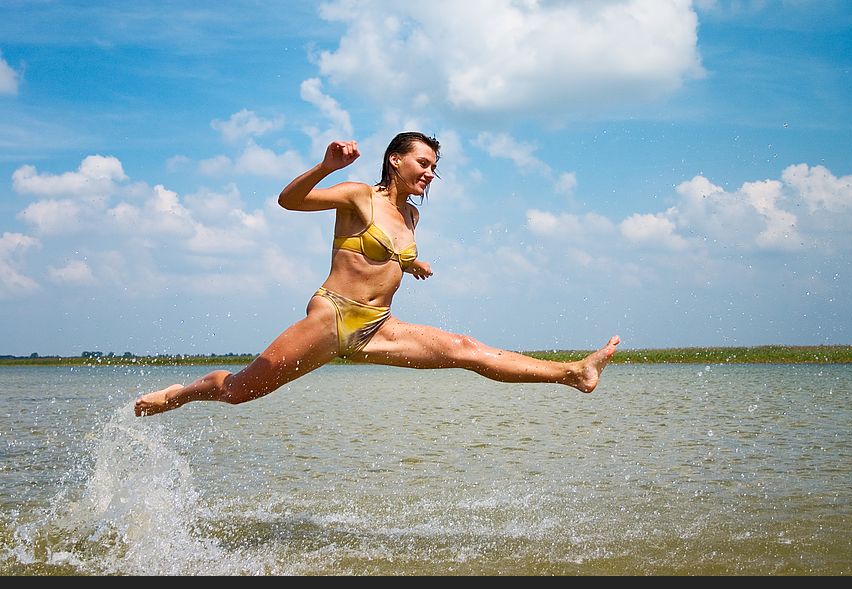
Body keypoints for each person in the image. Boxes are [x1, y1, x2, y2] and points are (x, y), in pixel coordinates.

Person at [134, 132, 619, 416]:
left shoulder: (411, 217)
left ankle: (573, 373)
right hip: (331, 319)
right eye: (423, 163)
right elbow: (289, 201)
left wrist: (413, 263)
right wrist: (325, 166)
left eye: (434, 167)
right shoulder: (357, 195)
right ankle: (181, 393)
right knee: (238, 392)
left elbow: (385, 257)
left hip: (376, 326)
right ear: (396, 159)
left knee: (466, 349)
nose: (430, 173)